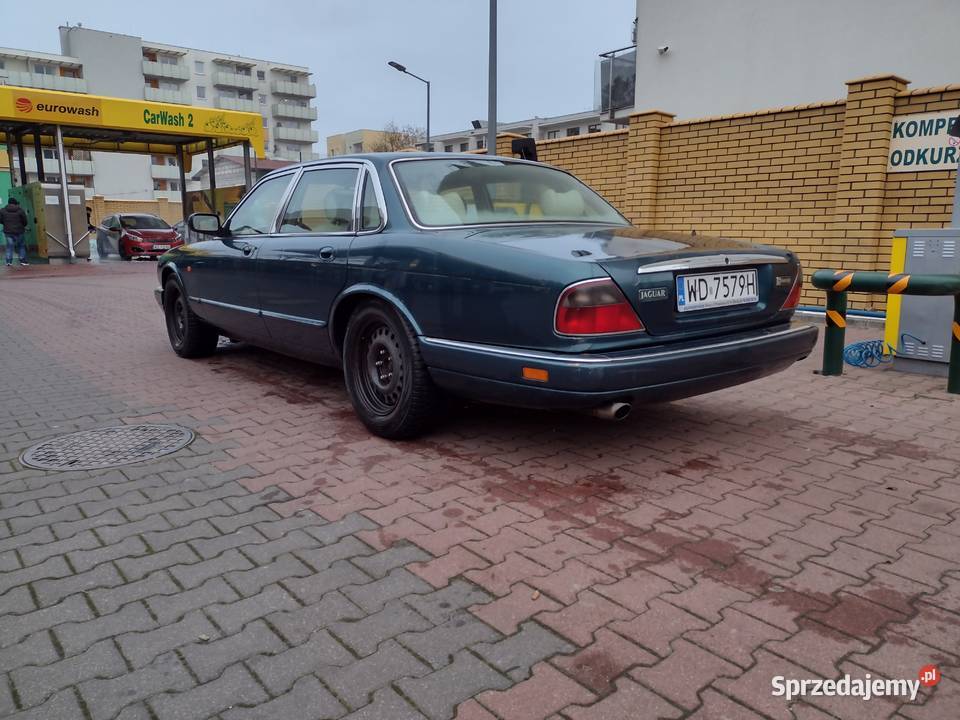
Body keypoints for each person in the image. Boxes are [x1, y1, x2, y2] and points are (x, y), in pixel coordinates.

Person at [1, 197, 29, 267]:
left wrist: (5, 223)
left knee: (9, 246)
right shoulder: (20, 210)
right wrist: (23, 225)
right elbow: (25, 221)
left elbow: (0, 220)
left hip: (8, 231)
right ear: (15, 203)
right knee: (21, 246)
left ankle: (8, 262)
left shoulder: (2, 211)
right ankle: (23, 261)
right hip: (19, 231)